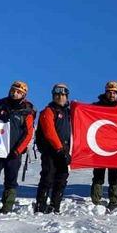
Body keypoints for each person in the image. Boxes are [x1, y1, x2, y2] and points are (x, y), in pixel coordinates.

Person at [0, 81, 35, 214]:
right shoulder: (0, 104)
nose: (14, 93)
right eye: (13, 90)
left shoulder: (27, 110)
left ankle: (7, 207)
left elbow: (28, 133)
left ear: (23, 94)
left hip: (14, 152)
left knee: (11, 181)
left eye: (18, 92)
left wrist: (18, 150)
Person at [34, 83, 72, 214]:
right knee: (47, 177)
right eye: (57, 94)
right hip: (51, 151)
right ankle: (40, 205)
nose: (60, 97)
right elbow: (49, 132)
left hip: (64, 150)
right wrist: (59, 149)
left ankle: (55, 205)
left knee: (62, 178)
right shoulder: (48, 111)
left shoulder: (68, 112)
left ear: (66, 96)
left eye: (62, 95)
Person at [91, 81, 117, 210]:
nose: (111, 95)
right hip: (99, 146)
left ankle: (113, 200)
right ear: (105, 92)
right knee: (98, 174)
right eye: (109, 92)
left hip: (116, 147)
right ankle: (95, 200)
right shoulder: (96, 106)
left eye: (114, 92)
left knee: (114, 176)